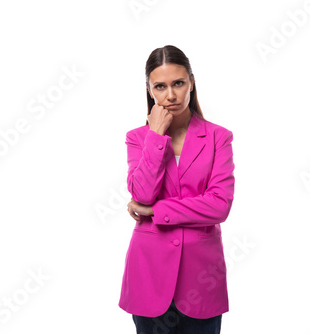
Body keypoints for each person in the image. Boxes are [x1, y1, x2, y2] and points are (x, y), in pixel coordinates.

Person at [119, 45, 235, 334]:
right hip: (149, 274)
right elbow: (142, 193)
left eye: (178, 83)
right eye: (160, 86)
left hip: (202, 277)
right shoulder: (138, 139)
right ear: (149, 90)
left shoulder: (219, 137)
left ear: (192, 83)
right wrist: (156, 135)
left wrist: (156, 210)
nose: (170, 95)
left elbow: (219, 205)